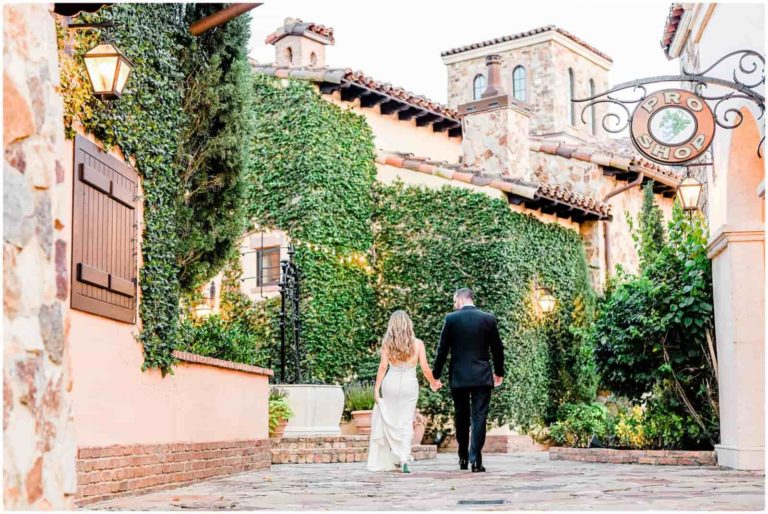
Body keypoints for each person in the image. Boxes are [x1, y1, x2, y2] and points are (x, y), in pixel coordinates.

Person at [432, 288, 504, 472]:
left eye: (455, 301)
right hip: (481, 376)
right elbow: (497, 348)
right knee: (479, 417)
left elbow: (442, 350)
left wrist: (436, 375)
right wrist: (499, 372)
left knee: (461, 417)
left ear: (461, 299)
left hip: (459, 377)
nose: (454, 305)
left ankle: (463, 457)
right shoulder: (488, 319)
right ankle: (475, 460)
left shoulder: (451, 319)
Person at [367, 310, 440, 473]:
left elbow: (383, 367)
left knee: (390, 420)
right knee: (406, 421)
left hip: (390, 383)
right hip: (409, 385)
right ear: (409, 324)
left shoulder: (388, 343)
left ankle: (393, 456)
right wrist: (433, 382)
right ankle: (403, 458)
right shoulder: (418, 344)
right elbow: (425, 368)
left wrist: (376, 389)